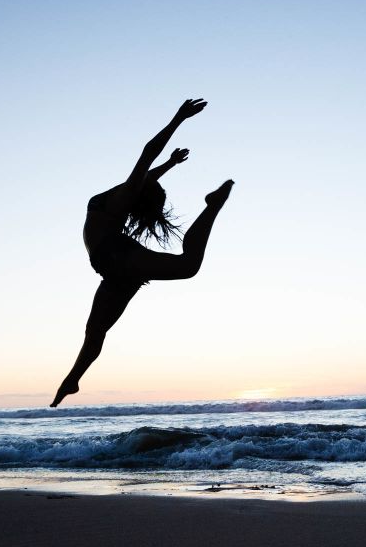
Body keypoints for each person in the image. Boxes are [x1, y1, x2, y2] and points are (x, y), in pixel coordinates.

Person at [50, 98, 233, 407]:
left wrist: (178, 118)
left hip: (118, 259)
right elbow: (148, 176)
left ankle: (212, 206)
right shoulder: (122, 197)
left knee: (188, 265)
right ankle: (73, 380)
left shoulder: (115, 202)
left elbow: (148, 154)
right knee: (95, 332)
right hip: (114, 270)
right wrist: (171, 165)